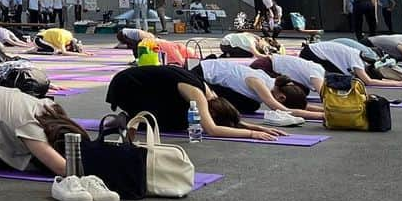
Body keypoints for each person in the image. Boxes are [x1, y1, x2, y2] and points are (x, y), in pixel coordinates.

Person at [105, 64, 283, 140]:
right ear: (213, 112)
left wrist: (259, 127)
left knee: (184, 118)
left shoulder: (210, 94)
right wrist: (252, 135)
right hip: (125, 87)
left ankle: (130, 117)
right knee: (178, 122)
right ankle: (128, 118)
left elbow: (229, 118)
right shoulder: (198, 96)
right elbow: (212, 129)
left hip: (136, 84)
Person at [197, 57, 322, 121]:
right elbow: (284, 110)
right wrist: (322, 116)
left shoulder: (274, 85)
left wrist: (326, 111)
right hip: (201, 75)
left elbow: (301, 106)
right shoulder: (261, 84)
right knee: (250, 105)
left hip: (215, 78)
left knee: (252, 105)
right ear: (281, 97)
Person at [299, 39, 388, 87]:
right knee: (339, 79)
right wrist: (399, 84)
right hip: (311, 52)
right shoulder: (357, 61)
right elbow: (368, 81)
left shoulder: (358, 53)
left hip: (313, 49)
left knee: (342, 77)